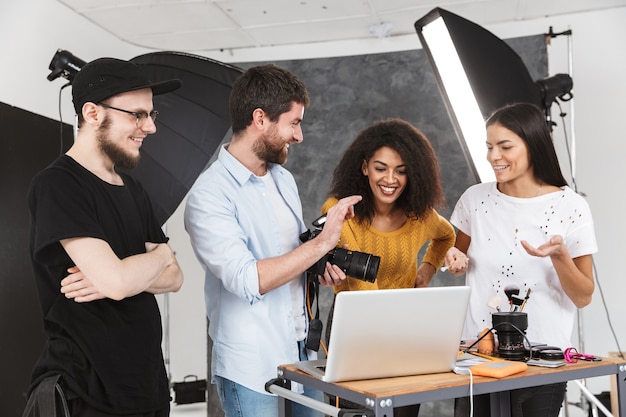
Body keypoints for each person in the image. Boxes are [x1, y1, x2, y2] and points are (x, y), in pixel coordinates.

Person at [184, 64, 361, 417]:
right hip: (251, 364)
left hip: (302, 354)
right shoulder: (209, 195)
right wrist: (321, 244)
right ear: (260, 119)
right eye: (294, 123)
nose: (299, 136)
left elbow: (292, 258)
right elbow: (249, 279)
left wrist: (317, 265)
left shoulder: (283, 180)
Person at [25, 57, 184, 417]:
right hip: (89, 392)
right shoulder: (58, 185)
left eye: (151, 115)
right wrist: (159, 257)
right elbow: (116, 282)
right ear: (93, 113)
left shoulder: (133, 189)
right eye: (137, 115)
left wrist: (131, 276)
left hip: (146, 387)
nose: (150, 127)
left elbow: (176, 279)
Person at [444, 102, 597, 417]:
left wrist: (559, 256)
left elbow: (583, 296)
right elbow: (457, 261)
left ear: (532, 145)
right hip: (481, 362)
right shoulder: (474, 200)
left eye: (505, 146)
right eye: (489, 147)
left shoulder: (570, 206)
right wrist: (453, 259)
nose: (493, 156)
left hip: (542, 363)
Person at [321, 118, 456, 417]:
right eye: (381, 168)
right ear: (364, 167)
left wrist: (428, 268)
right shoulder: (340, 211)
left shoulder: (420, 216)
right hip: (354, 333)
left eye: (401, 171)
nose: (390, 179)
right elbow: (359, 286)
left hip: (407, 330)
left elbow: (447, 236)